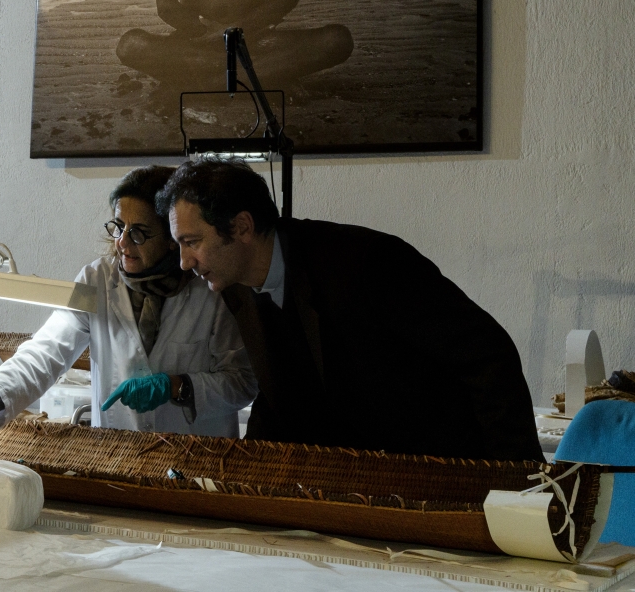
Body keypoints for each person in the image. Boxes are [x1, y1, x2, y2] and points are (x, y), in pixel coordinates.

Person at [156, 157, 543, 461]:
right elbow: (279, 395)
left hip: (443, 464)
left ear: (242, 227)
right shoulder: (234, 282)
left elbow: (489, 355)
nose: (185, 262)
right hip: (360, 480)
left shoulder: (363, 262)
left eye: (192, 242)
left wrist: (518, 480)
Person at [0, 166, 257, 444]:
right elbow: (47, 351)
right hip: (114, 453)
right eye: (118, 227)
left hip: (198, 461)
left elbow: (243, 383)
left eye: (139, 233)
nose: (122, 242)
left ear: (172, 237)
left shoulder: (210, 287)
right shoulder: (98, 280)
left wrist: (178, 387)